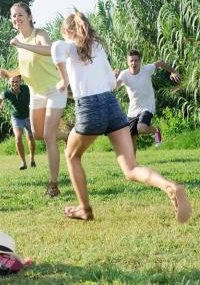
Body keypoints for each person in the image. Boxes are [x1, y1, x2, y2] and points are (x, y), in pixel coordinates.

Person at [51, 12, 191, 223]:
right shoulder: (98, 48)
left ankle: (84, 209)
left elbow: (56, 48)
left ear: (68, 32)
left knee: (72, 156)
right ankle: (170, 186)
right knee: (131, 168)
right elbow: (109, 84)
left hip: (90, 108)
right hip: (112, 106)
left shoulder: (69, 46)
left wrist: (63, 81)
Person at [0, 2, 68, 197]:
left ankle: (53, 186)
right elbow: (26, 67)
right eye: (13, 16)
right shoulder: (19, 39)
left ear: (29, 16)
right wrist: (10, 73)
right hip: (36, 92)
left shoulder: (39, 33)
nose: (16, 19)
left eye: (20, 15)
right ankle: (67, 136)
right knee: (38, 134)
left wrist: (21, 44)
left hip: (54, 89)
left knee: (47, 137)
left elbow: (49, 50)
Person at [115, 50, 181, 152]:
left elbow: (160, 63)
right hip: (133, 109)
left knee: (141, 128)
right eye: (131, 61)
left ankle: (156, 130)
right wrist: (114, 77)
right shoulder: (124, 74)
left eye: (136, 60)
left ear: (140, 61)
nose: (134, 63)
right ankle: (133, 163)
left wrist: (173, 71)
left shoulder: (146, 69)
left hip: (147, 106)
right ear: (127, 62)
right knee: (130, 135)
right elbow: (115, 87)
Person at [0, 75, 36, 170]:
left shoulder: (26, 88)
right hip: (17, 118)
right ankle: (23, 162)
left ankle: (32, 158)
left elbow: (35, 93)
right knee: (18, 137)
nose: (14, 83)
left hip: (29, 116)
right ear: (9, 82)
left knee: (31, 138)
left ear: (20, 81)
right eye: (12, 82)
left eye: (16, 81)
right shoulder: (7, 92)